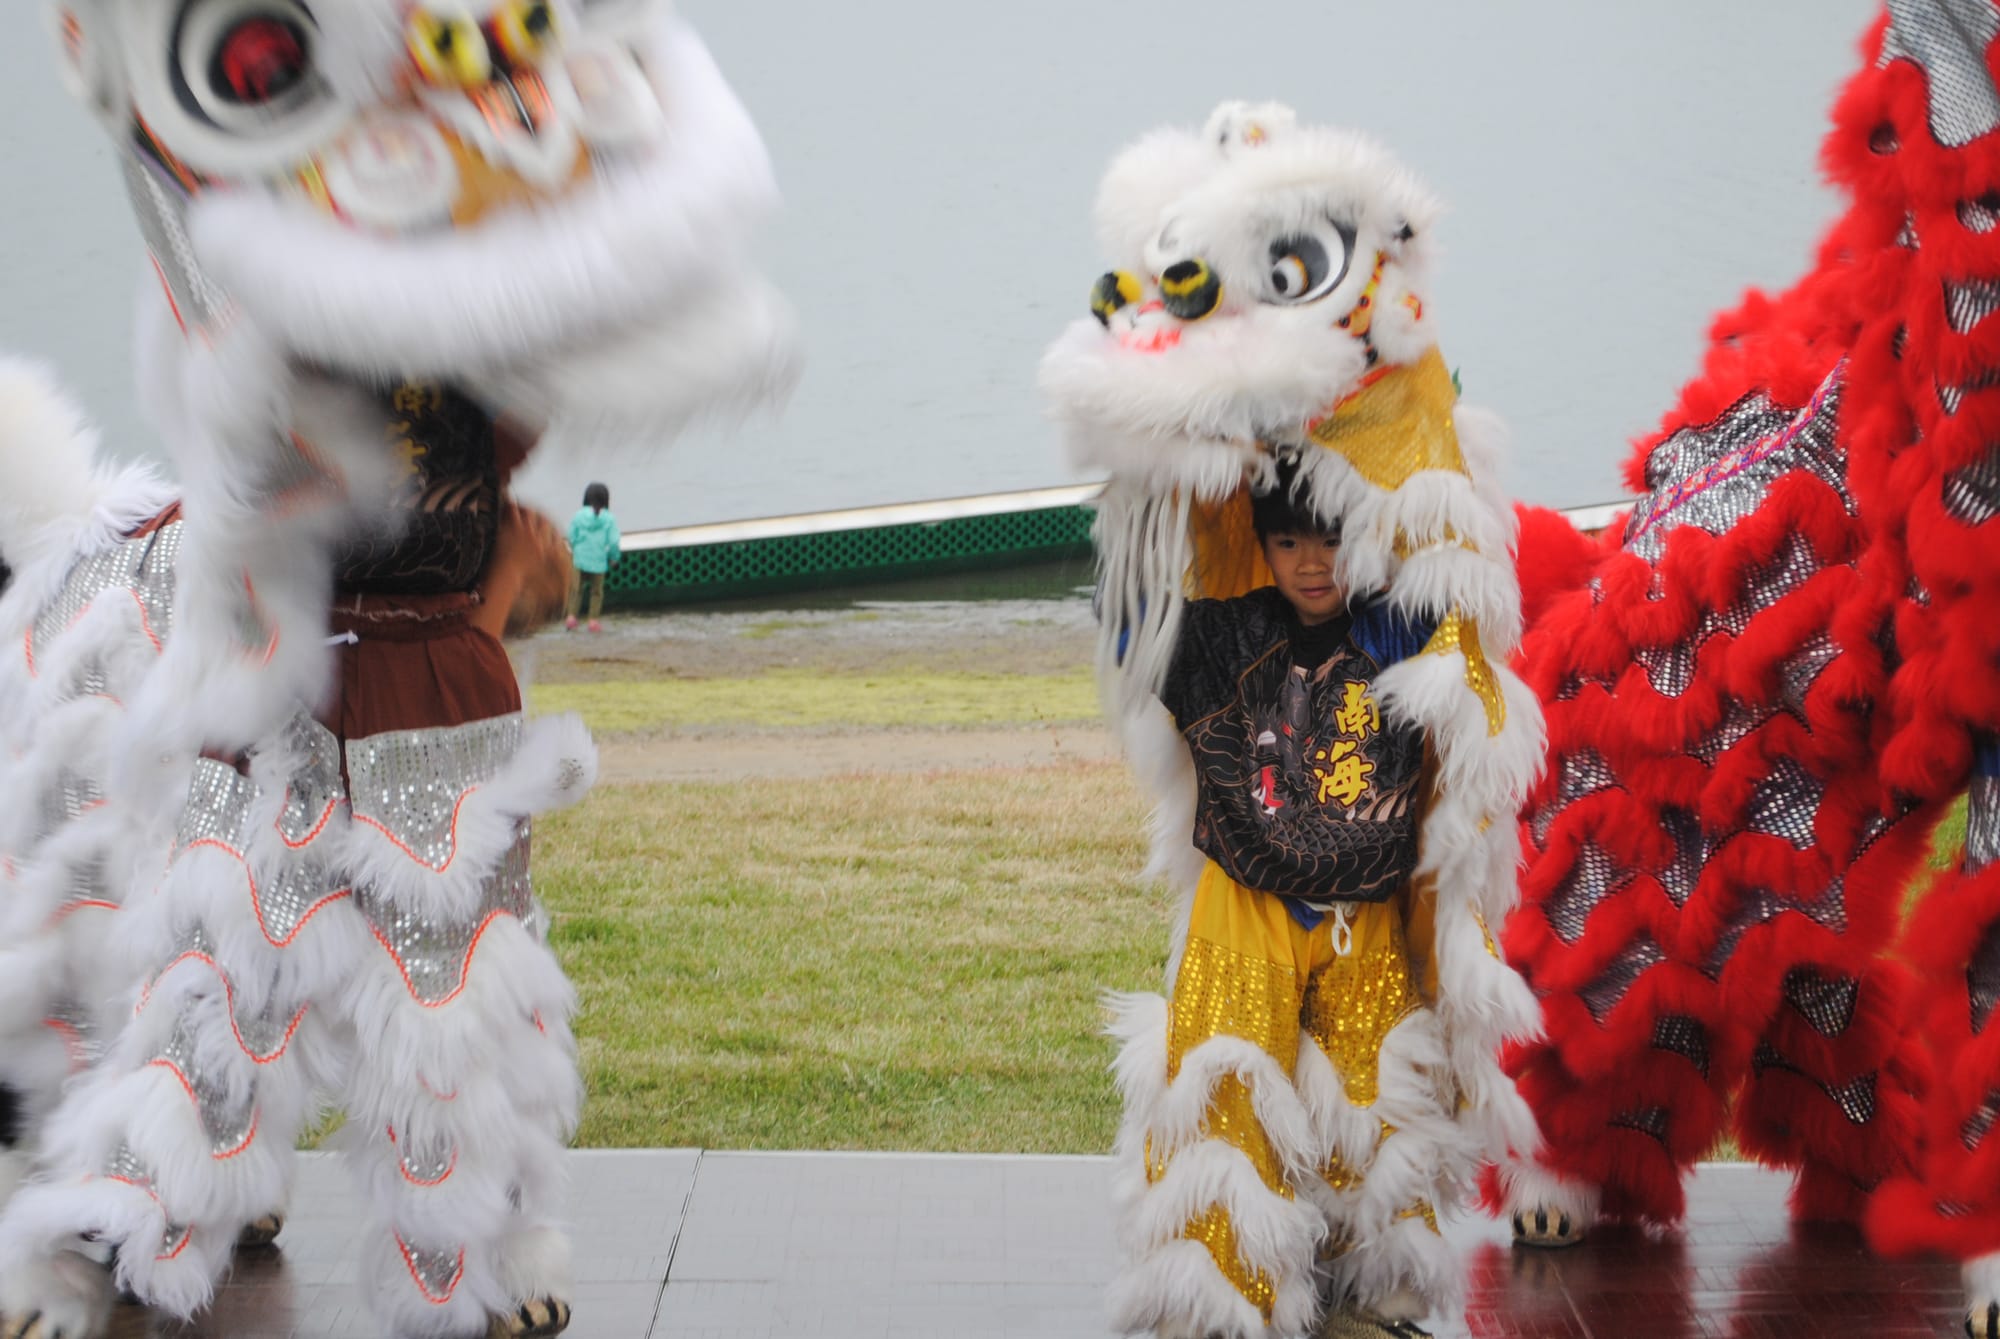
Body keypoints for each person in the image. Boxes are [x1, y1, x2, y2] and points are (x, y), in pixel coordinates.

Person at [567, 483, 621, 633]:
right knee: (596, 593)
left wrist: (576, 548)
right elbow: (614, 542)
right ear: (606, 500)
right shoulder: (609, 518)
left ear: (586, 497)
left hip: (579, 560)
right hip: (598, 562)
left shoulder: (578, 515)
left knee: (575, 590)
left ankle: (571, 618)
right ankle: (593, 621)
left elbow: (571, 536)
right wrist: (613, 558)